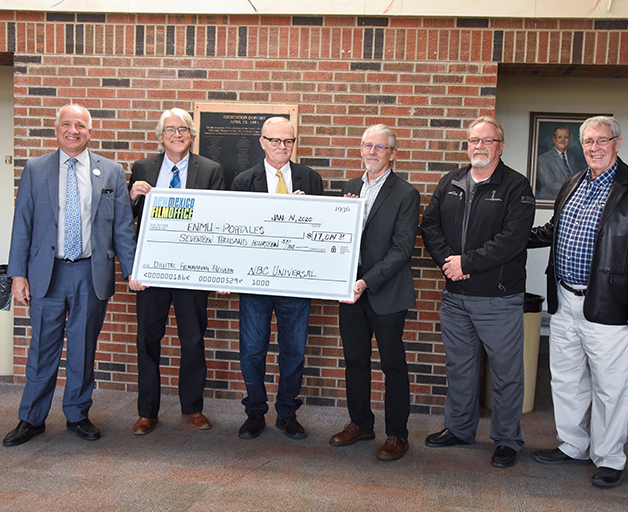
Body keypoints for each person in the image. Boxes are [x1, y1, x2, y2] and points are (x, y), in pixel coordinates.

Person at [529, 116, 628, 488]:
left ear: (617, 143)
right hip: (564, 299)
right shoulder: (572, 183)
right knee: (567, 379)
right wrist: (509, 237)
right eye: (588, 141)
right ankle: (573, 444)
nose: (594, 147)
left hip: (610, 304)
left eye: (602, 140)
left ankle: (609, 457)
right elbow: (554, 230)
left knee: (610, 386)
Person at [3, 104, 137, 446]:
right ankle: (31, 418)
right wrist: (17, 274)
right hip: (47, 273)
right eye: (67, 124)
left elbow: (121, 227)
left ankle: (77, 413)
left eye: (80, 125)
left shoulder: (110, 171)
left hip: (91, 273)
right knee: (42, 348)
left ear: (90, 132)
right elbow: (23, 224)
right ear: (56, 128)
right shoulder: (35, 168)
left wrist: (133, 270)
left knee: (82, 348)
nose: (73, 130)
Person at [419, 116, 535, 468]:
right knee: (460, 368)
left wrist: (465, 263)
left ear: (500, 147)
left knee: (506, 372)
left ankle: (507, 440)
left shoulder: (516, 186)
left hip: (497, 298)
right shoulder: (452, 181)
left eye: (487, 141)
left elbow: (511, 241)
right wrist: (447, 263)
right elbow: (430, 225)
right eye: (473, 141)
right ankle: (459, 428)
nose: (479, 147)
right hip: (455, 298)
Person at [128, 108, 225, 436]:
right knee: (147, 339)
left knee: (193, 339)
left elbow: (219, 221)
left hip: (192, 271)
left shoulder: (211, 170)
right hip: (152, 270)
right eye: (170, 129)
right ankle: (147, 412)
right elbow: (129, 220)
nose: (177, 134)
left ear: (192, 135)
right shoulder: (143, 168)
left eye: (183, 129)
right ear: (160, 136)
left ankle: (193, 408)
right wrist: (132, 197)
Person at [329, 124, 420, 462]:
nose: (372, 152)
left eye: (379, 147)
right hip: (349, 291)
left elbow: (402, 249)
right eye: (367, 145)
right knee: (355, 359)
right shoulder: (350, 187)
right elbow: (339, 238)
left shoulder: (406, 194)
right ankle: (361, 423)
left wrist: (366, 280)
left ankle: (397, 434)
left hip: (385, 291)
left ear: (392, 154)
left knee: (393, 363)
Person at [230, 116, 324, 440]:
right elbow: (237, 233)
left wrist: (304, 212)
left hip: (295, 281)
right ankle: (255, 411)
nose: (282, 147)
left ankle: (286, 413)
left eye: (288, 141)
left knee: (294, 351)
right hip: (255, 282)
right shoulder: (244, 181)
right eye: (275, 141)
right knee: (252, 350)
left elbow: (319, 233)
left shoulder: (311, 179)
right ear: (262, 142)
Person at [536, 126, 583, 200]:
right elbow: (550, 185)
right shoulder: (543, 159)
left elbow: (579, 179)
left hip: (572, 200)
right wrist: (573, 190)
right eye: (559, 137)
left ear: (569, 139)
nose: (563, 140)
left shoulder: (573, 158)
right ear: (554, 139)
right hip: (551, 200)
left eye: (566, 137)